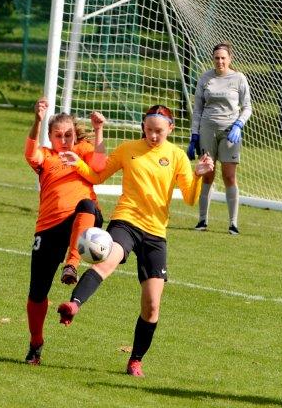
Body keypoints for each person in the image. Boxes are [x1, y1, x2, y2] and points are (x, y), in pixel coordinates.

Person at [57, 105, 214, 377]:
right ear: (143, 127)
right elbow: (97, 176)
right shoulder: (128, 149)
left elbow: (190, 198)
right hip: (126, 221)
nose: (153, 136)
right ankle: (73, 305)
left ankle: (135, 361)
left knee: (152, 306)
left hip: (156, 234)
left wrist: (199, 175)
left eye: (159, 131)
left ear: (170, 129)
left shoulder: (177, 156)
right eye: (149, 130)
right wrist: (78, 163)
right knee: (107, 260)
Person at [24, 97, 107, 365]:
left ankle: (71, 264)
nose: (64, 140)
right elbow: (30, 153)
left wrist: (98, 130)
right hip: (49, 227)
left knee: (86, 205)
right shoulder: (46, 157)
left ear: (75, 134)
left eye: (68, 134)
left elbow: (100, 166)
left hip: (83, 219)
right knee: (37, 293)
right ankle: (36, 342)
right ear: (50, 137)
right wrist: (37, 120)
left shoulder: (83, 150)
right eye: (58, 136)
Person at [187, 41, 252, 235]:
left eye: (223, 58)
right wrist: (194, 135)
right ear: (213, 59)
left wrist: (239, 125)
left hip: (230, 132)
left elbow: (247, 107)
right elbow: (197, 109)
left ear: (230, 59)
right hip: (207, 130)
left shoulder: (239, 78)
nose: (220, 61)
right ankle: (202, 220)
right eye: (217, 58)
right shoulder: (205, 78)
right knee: (208, 173)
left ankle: (233, 223)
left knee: (229, 175)